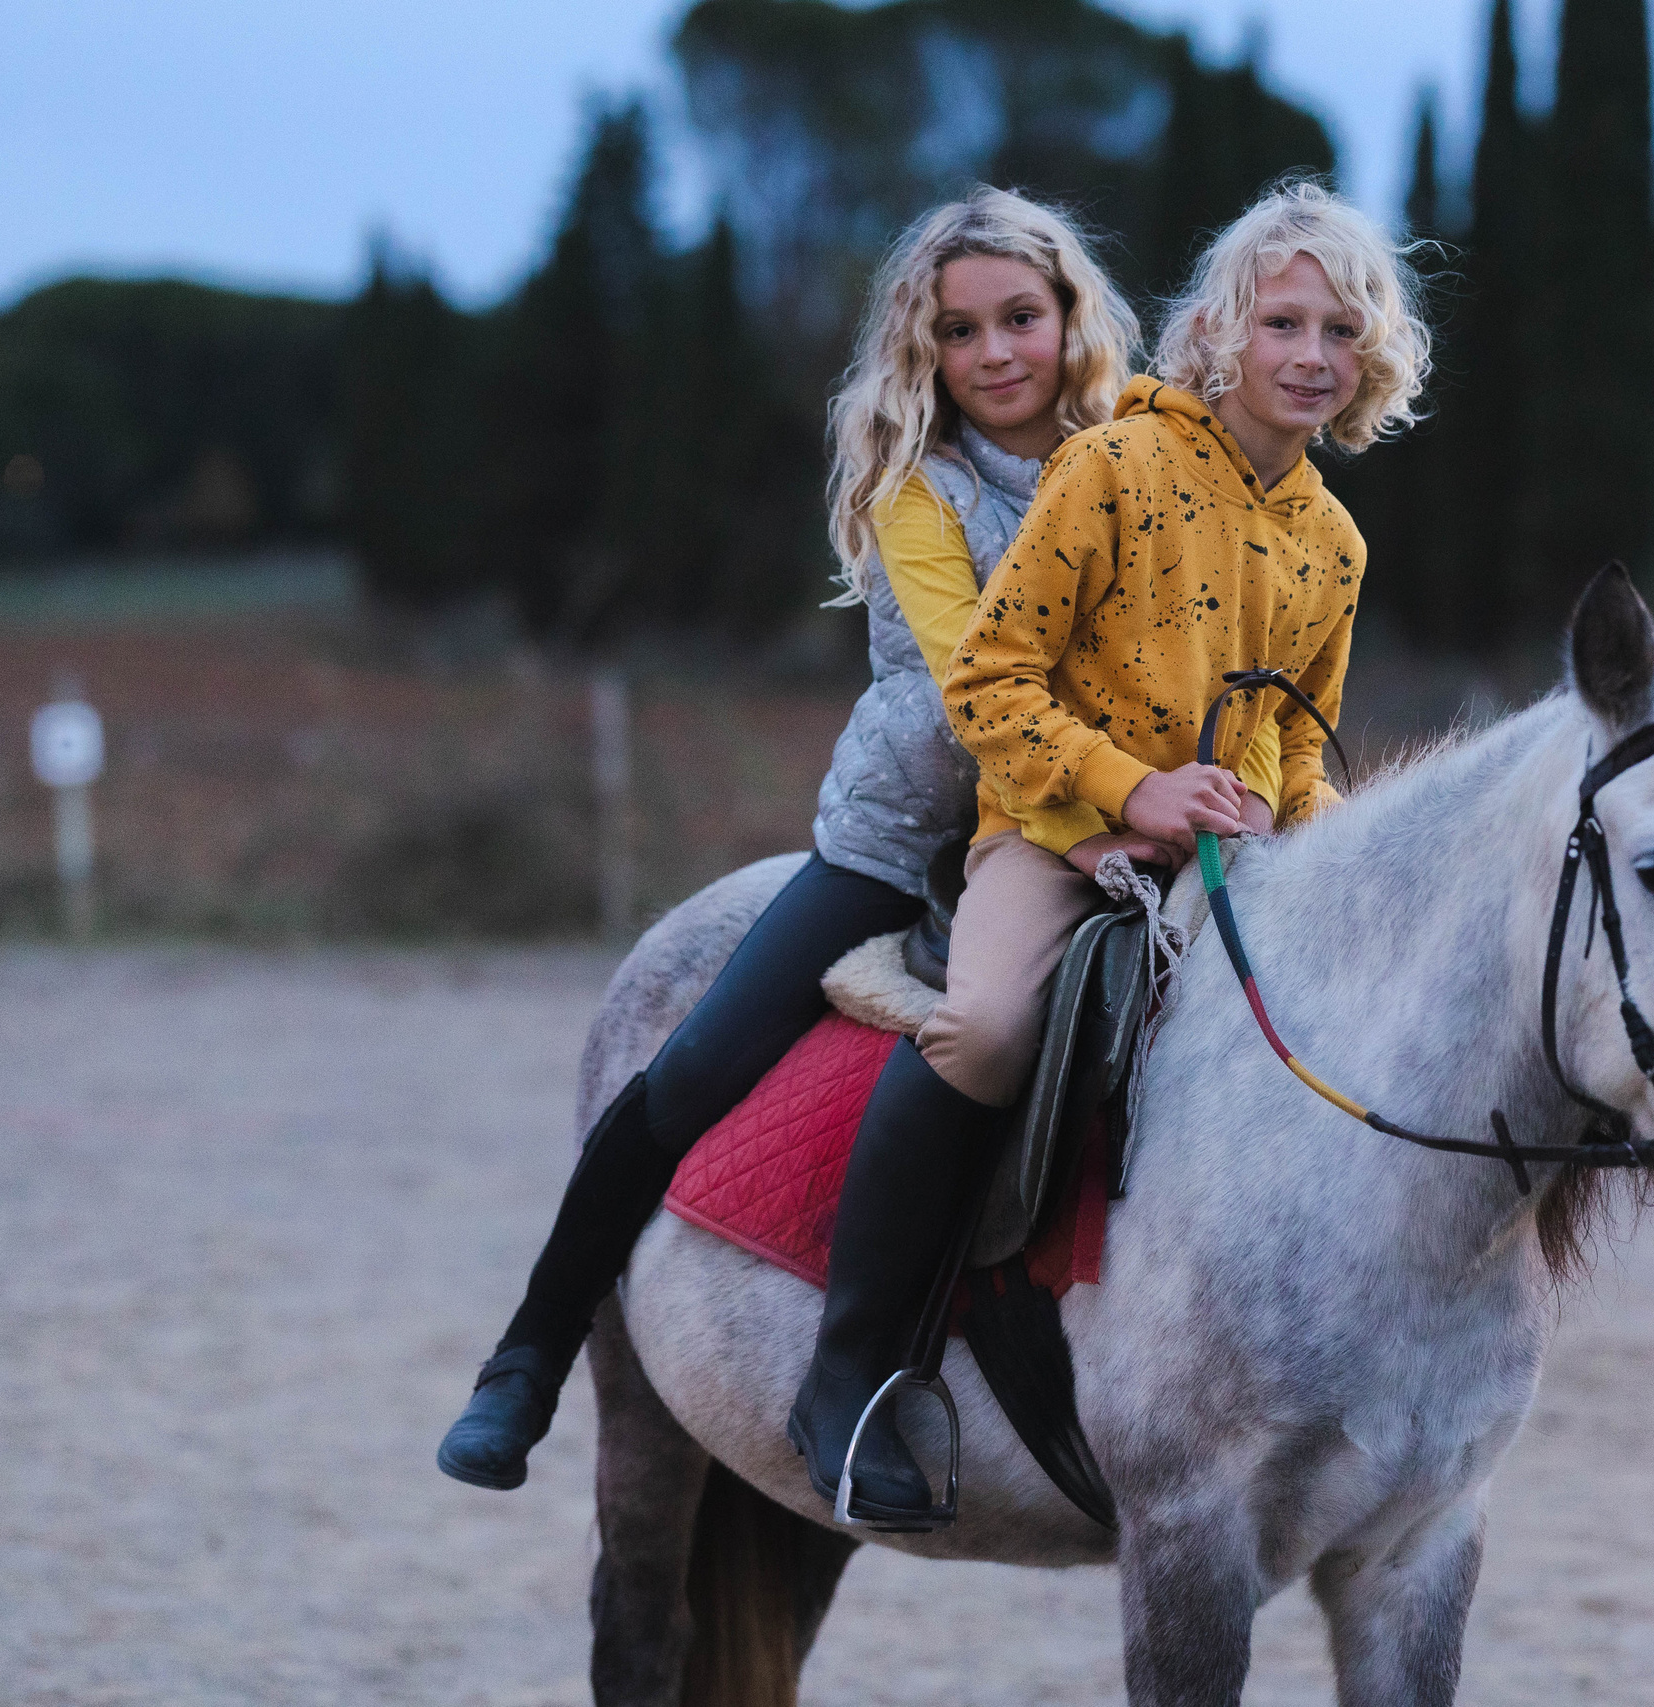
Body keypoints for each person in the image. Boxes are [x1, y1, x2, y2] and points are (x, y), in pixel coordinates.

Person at [438, 187, 1175, 1490]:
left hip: (1089, 830)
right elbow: (977, 685)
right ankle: (538, 1353)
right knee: (695, 1067)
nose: (998, 352)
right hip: (907, 842)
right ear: (926, 352)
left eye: (1022, 317)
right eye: (962, 331)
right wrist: (1113, 796)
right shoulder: (920, 488)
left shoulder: (1137, 459)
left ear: (1072, 319)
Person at [790, 181, 1431, 1525]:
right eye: (1285, 323)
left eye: (1342, 332)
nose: (1313, 355)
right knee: (984, 1030)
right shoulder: (1114, 468)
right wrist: (1131, 791)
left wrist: (1317, 856)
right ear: (1220, 331)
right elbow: (991, 683)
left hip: (1228, 861)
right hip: (1051, 828)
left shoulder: (1337, 543)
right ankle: (849, 1372)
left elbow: (1299, 750)